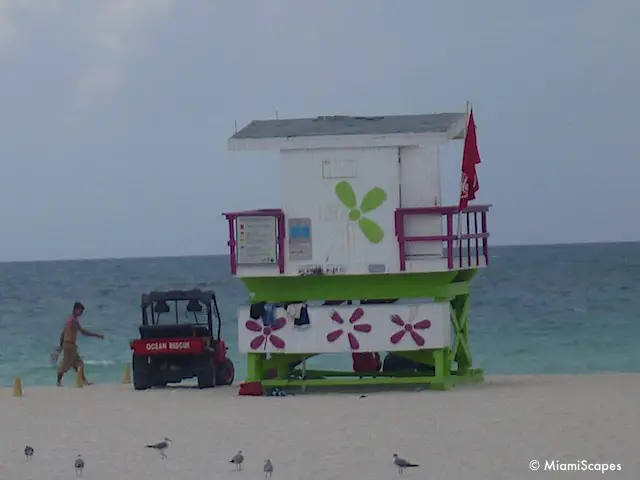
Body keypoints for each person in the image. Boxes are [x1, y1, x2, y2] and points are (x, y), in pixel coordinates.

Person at [55, 302, 104, 386]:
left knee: (79, 363)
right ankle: (58, 382)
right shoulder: (73, 321)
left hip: (69, 345)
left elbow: (63, 333)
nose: (81, 313)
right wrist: (96, 335)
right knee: (66, 363)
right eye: (80, 311)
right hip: (70, 345)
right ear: (76, 310)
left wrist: (61, 346)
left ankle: (84, 380)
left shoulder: (68, 320)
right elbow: (83, 332)